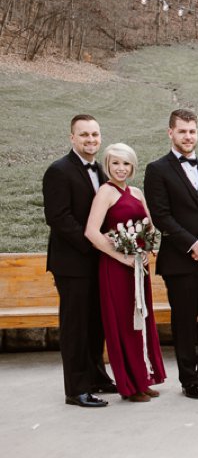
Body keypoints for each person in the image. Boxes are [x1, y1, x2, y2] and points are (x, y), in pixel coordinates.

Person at [144, 108, 198, 400]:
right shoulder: (157, 170)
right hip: (180, 260)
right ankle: (189, 378)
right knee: (184, 321)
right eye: (182, 131)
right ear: (170, 132)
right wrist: (194, 245)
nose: (188, 136)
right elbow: (161, 216)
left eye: (192, 131)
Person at [42, 114, 116, 407]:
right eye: (84, 135)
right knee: (75, 326)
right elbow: (58, 217)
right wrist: (93, 244)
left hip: (98, 261)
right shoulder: (58, 170)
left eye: (95, 135)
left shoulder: (101, 169)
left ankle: (97, 375)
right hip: (72, 263)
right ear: (72, 138)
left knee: (96, 323)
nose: (90, 140)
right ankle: (76, 388)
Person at [84, 143, 166, 402]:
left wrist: (145, 246)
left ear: (133, 166)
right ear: (108, 164)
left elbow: (150, 227)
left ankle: (144, 378)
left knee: (141, 321)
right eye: (115, 163)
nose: (121, 168)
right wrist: (122, 255)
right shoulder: (105, 193)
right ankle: (130, 386)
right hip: (116, 268)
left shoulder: (137, 192)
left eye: (126, 164)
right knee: (123, 324)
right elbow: (91, 232)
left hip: (139, 267)